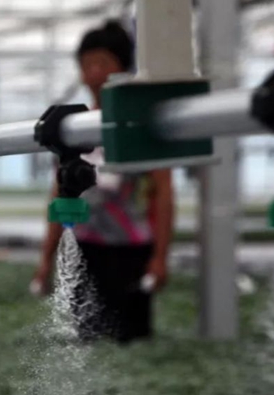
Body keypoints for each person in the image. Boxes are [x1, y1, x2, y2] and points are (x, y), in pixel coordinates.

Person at [33, 21, 174, 343]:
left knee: (129, 338)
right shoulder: (72, 128)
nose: (95, 73)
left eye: (103, 63)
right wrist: (46, 258)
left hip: (131, 251)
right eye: (87, 65)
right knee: (85, 339)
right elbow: (59, 195)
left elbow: (163, 194)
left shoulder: (138, 124)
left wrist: (160, 258)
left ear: (123, 68)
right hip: (84, 248)